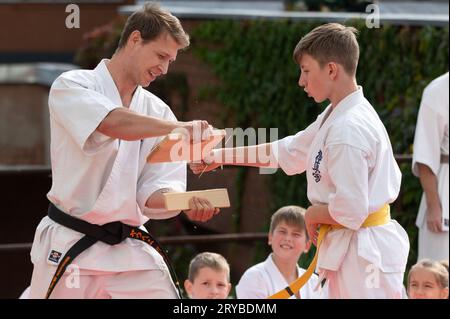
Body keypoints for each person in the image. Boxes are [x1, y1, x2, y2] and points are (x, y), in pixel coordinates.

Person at [191, 23, 410, 298]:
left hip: (366, 254)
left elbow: (352, 209)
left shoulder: (347, 129)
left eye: (306, 71)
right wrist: (219, 157)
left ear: (331, 69)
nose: (301, 81)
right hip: (353, 247)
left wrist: (313, 213)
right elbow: (289, 151)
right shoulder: (337, 115)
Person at [29, 2, 220, 299]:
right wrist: (177, 128)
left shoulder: (160, 112)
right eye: (160, 55)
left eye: (170, 60)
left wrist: (186, 201)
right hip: (71, 241)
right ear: (134, 39)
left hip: (129, 249)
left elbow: (153, 193)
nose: (165, 68)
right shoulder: (72, 85)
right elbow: (111, 123)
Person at [236, 206, 325, 299]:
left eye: (296, 234)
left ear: (307, 245)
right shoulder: (254, 278)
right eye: (282, 231)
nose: (287, 238)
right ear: (270, 237)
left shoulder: (313, 281)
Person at [412, 72, 449, 262]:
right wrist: (434, 205)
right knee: (439, 269)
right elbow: (424, 155)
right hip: (444, 193)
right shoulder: (437, 90)